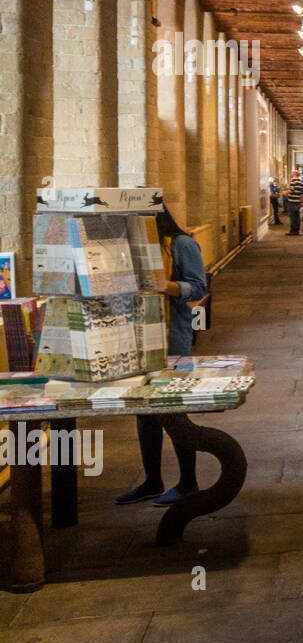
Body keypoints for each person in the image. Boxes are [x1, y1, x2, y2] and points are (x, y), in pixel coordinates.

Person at [116, 207, 206, 506]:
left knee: (173, 408)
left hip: (171, 338)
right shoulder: (135, 248)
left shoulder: (181, 244)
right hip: (139, 338)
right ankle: (153, 480)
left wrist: (165, 286)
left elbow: (199, 288)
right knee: (145, 411)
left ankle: (188, 482)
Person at [286, 167, 303, 235]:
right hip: (298, 202)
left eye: (292, 173)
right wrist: (302, 202)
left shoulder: (293, 181)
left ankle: (293, 231)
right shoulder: (300, 181)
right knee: (297, 217)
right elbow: (302, 193)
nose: (291, 174)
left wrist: (284, 192)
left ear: (294, 174)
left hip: (292, 201)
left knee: (292, 217)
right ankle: (297, 231)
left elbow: (291, 190)